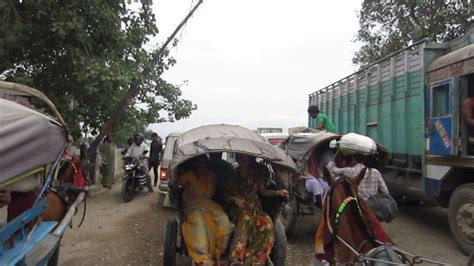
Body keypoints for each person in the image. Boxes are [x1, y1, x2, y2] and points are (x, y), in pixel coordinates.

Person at [227, 154, 289, 266]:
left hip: (255, 208)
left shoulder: (255, 174)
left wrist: (277, 193)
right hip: (239, 209)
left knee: (267, 223)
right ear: (238, 159)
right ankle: (236, 258)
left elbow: (263, 191)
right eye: (241, 158)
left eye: (245, 158)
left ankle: (257, 259)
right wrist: (235, 199)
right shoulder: (232, 174)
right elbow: (226, 195)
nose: (244, 160)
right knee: (246, 219)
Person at [176, 155, 232, 266]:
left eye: (204, 163)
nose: (202, 166)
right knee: (198, 223)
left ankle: (218, 253)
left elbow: (220, 189)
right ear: (195, 164)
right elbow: (176, 186)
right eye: (199, 163)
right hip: (191, 205)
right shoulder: (188, 175)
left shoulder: (212, 176)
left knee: (224, 220)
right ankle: (202, 258)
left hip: (209, 204)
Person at [326, 152, 397, 222]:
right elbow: (385, 192)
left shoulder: (349, 171)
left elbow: (330, 169)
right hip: (372, 209)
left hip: (357, 208)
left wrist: (337, 152)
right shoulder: (376, 172)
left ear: (354, 159)